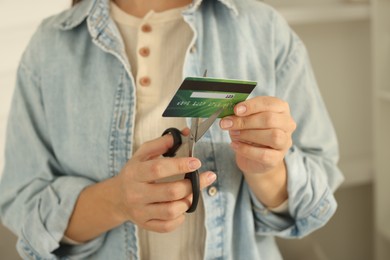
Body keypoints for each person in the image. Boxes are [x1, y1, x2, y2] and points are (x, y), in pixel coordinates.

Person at [0, 0, 344, 259]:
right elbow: (23, 205)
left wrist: (267, 170)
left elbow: (318, 198)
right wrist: (118, 201)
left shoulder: (264, 30)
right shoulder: (50, 47)